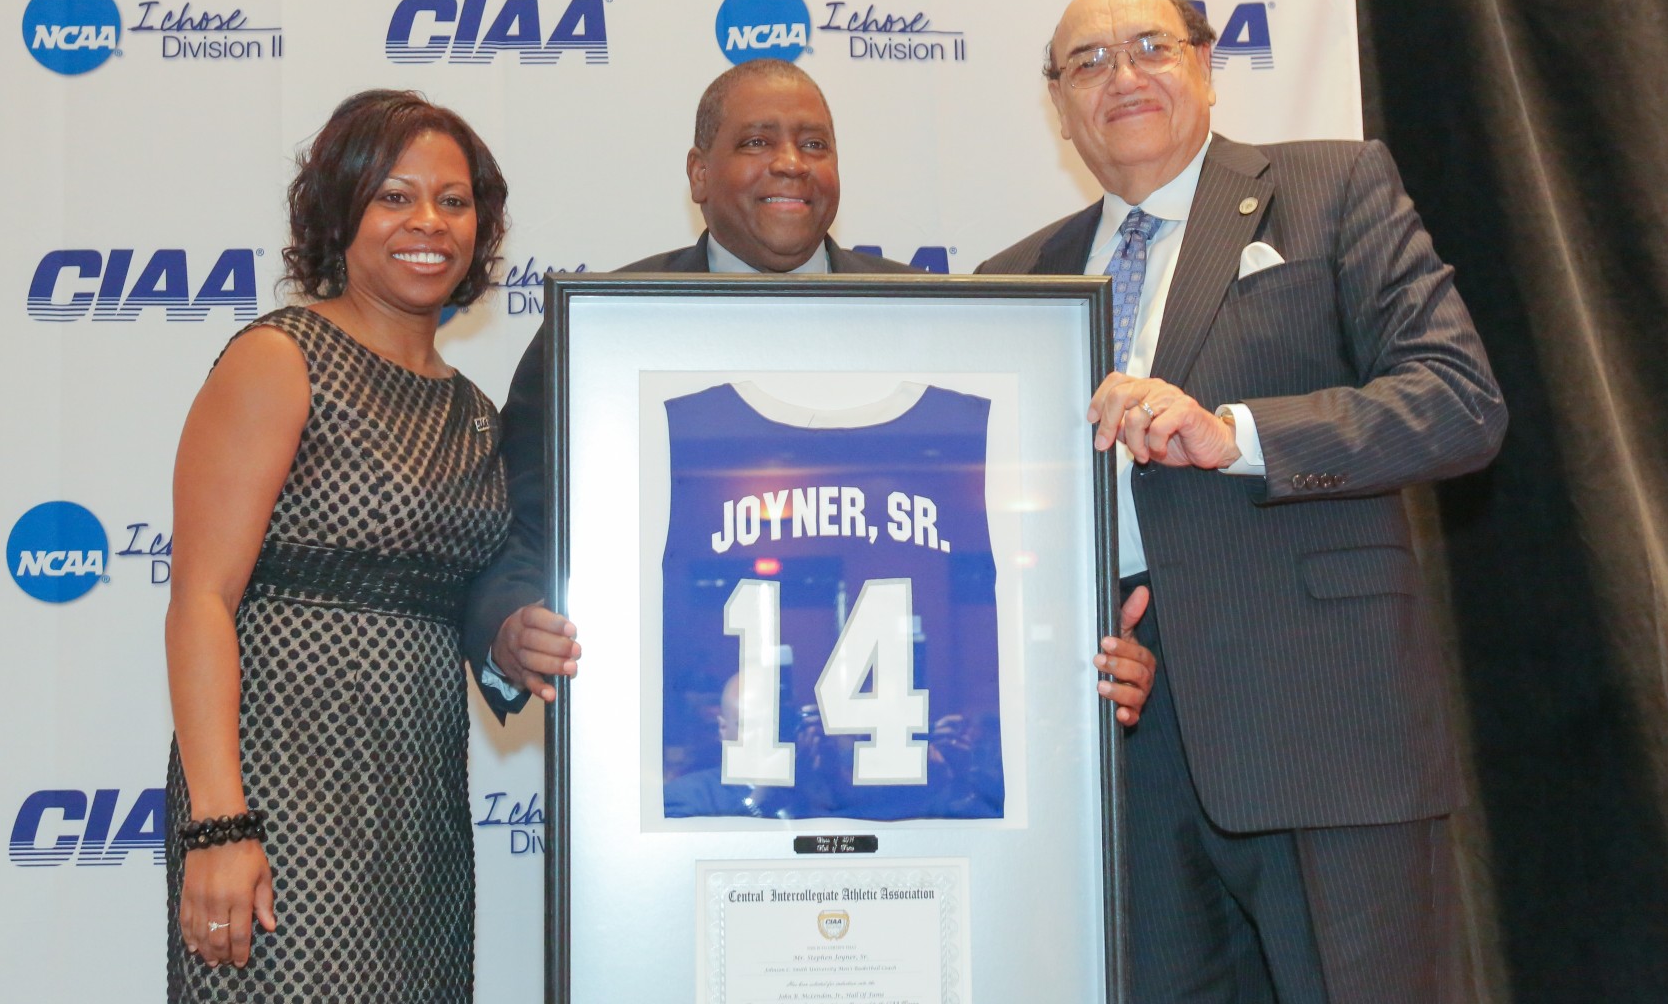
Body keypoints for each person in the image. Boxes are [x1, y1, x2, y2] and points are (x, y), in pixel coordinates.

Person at [980, 0, 1508, 1001]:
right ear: (1058, 104)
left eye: (1149, 47)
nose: (1121, 76)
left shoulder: (1334, 188)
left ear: (1205, 65)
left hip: (1316, 724)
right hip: (1120, 750)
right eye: (1087, 62)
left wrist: (1237, 435)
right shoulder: (1021, 279)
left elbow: (1459, 400)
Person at [461, 59, 1158, 732]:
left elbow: (1019, 530)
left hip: (916, 761)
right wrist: (510, 626)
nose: (791, 162)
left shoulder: (938, 324)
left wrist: (1083, 647)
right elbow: (521, 535)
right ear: (699, 174)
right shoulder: (601, 335)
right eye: (757, 142)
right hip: (676, 752)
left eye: (815, 144)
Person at [162, 89, 515, 1001]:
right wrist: (218, 825)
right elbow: (202, 598)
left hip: (418, 814)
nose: (428, 222)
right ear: (340, 210)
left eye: (453, 199)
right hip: (280, 802)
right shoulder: (283, 360)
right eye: (394, 197)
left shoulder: (475, 412)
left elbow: (482, 605)